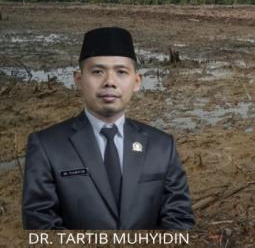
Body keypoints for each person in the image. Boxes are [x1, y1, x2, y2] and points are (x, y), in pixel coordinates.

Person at [22, 27, 195, 230]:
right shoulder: (47, 146)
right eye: (97, 72)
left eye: (121, 72)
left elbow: (179, 220)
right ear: (79, 80)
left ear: (136, 81)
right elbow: (40, 227)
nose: (109, 82)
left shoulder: (162, 145)